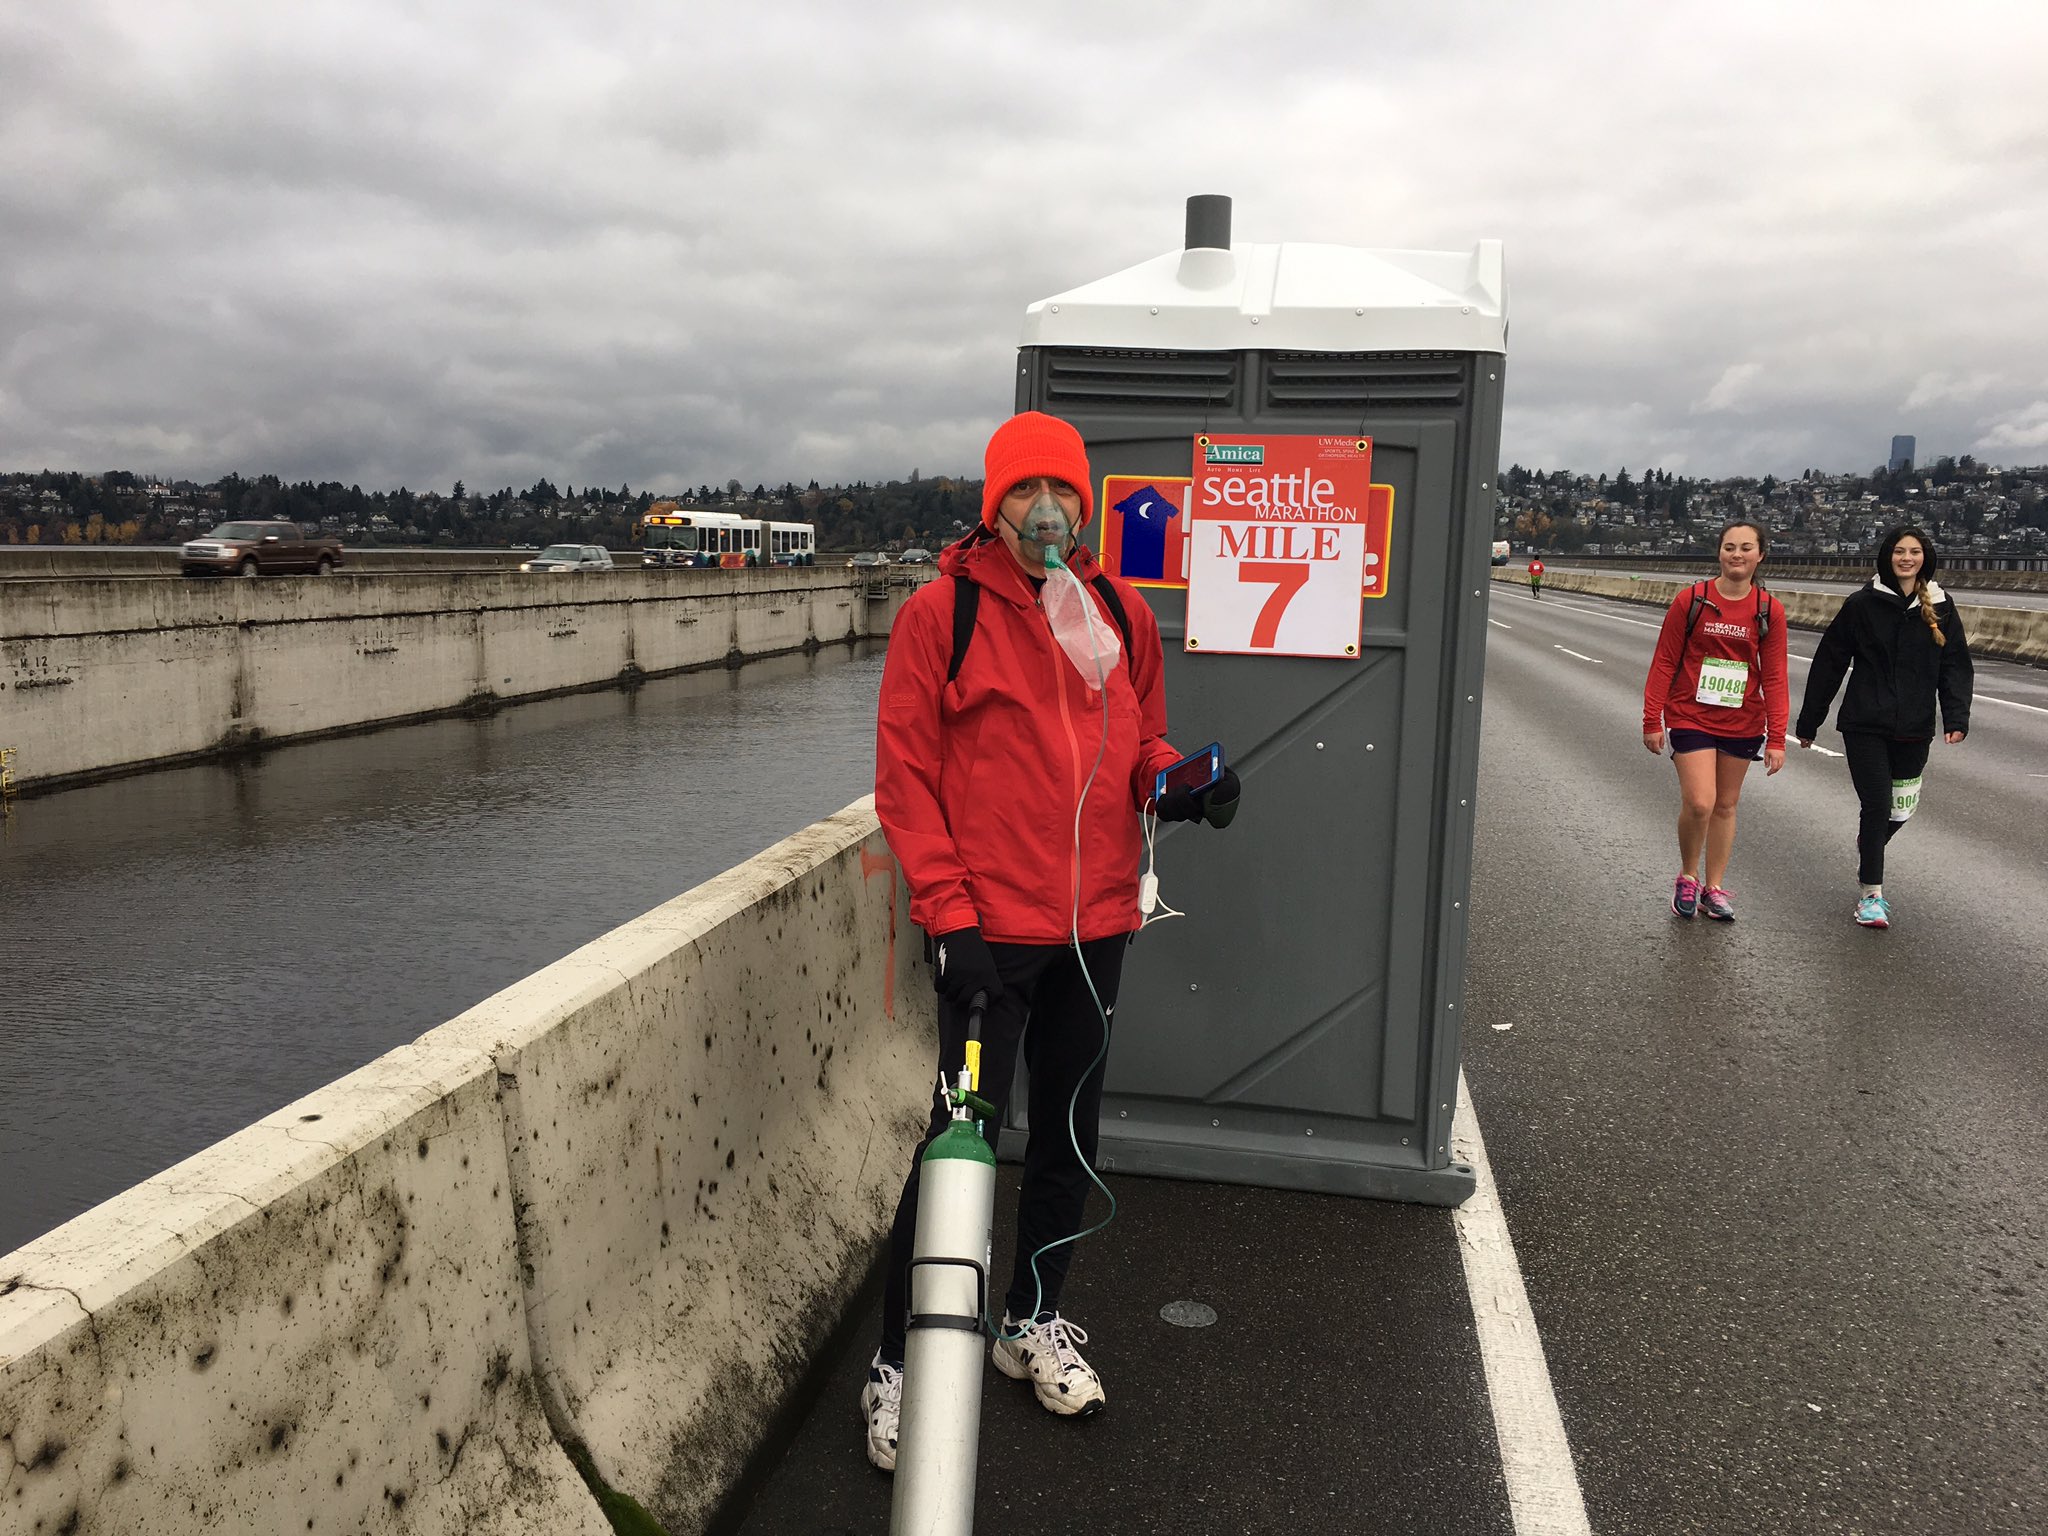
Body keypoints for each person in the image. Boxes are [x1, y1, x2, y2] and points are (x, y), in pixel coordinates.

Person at [863, 410, 1241, 1473]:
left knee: (1069, 1139)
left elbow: (1137, 746)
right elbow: (905, 781)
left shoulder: (1116, 608)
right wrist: (950, 919)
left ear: (1085, 506)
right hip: (988, 939)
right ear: (994, 506)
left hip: (1095, 928)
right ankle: (896, 1365)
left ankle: (1030, 1321)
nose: (1045, 511)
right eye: (1024, 493)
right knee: (957, 1148)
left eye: (1063, 494)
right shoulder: (944, 615)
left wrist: (1182, 784)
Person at [1795, 525, 1972, 929]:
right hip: (1865, 723)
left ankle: (1870, 841)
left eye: (1913, 551)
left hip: (1915, 726)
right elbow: (1829, 663)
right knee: (1876, 805)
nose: (1906, 558)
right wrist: (1810, 721)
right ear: (1886, 557)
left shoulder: (1942, 606)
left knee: (1900, 809)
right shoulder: (1862, 604)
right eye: (1898, 551)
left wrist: (1956, 716)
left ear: (1925, 557)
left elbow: (1955, 665)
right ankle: (1871, 896)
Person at [1640, 520, 1788, 920]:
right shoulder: (1692, 600)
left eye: (1745, 548)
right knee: (1700, 801)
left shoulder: (1767, 609)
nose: (1736, 555)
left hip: (1742, 722)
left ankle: (1715, 889)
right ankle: (1688, 877)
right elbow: (1665, 661)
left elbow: (1773, 676)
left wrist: (1777, 737)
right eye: (1728, 547)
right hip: (1691, 714)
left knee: (1725, 805)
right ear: (1719, 553)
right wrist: (1652, 717)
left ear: (1760, 555)